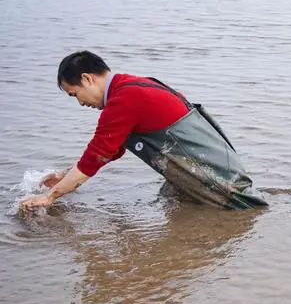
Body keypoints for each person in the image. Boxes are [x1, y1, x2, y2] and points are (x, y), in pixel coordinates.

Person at [20, 51, 268, 211]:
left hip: (220, 183)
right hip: (219, 169)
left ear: (87, 79)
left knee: (247, 210)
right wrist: (64, 176)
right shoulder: (134, 85)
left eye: (75, 95)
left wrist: (50, 197)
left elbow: (96, 156)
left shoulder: (124, 100)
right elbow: (110, 150)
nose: (80, 103)